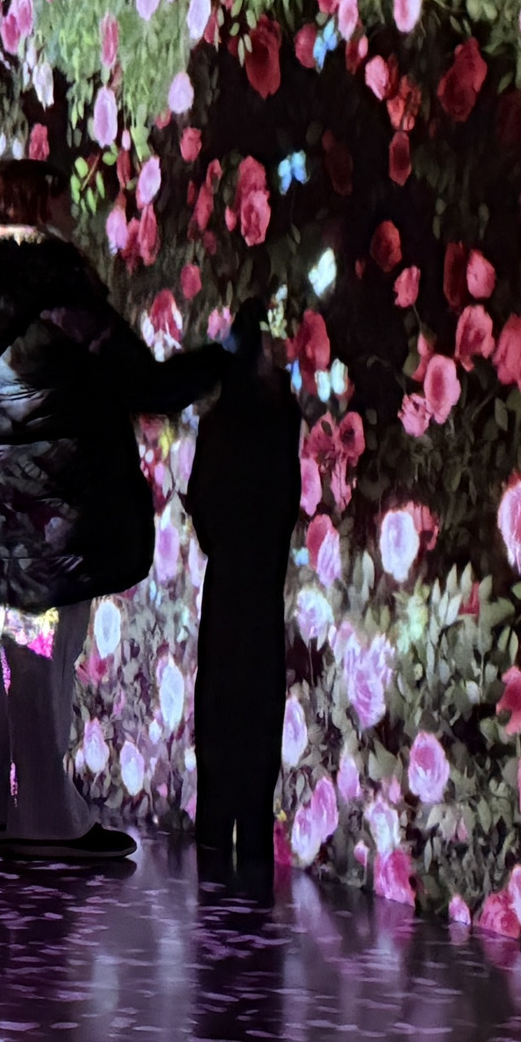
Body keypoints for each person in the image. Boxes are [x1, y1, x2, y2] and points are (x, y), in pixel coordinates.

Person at [0, 160, 228, 861]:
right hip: (60, 502)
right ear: (39, 208)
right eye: (62, 200)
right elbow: (143, 382)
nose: (73, 212)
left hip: (3, 500)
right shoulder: (54, 291)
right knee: (46, 655)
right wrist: (223, 360)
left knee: (16, 647)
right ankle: (45, 820)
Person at [188, 309, 301, 869]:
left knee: (219, 704)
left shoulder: (217, 423)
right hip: (261, 589)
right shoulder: (282, 419)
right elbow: (286, 505)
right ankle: (253, 831)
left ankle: (214, 827)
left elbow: (200, 505)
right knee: (258, 708)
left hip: (227, 585)